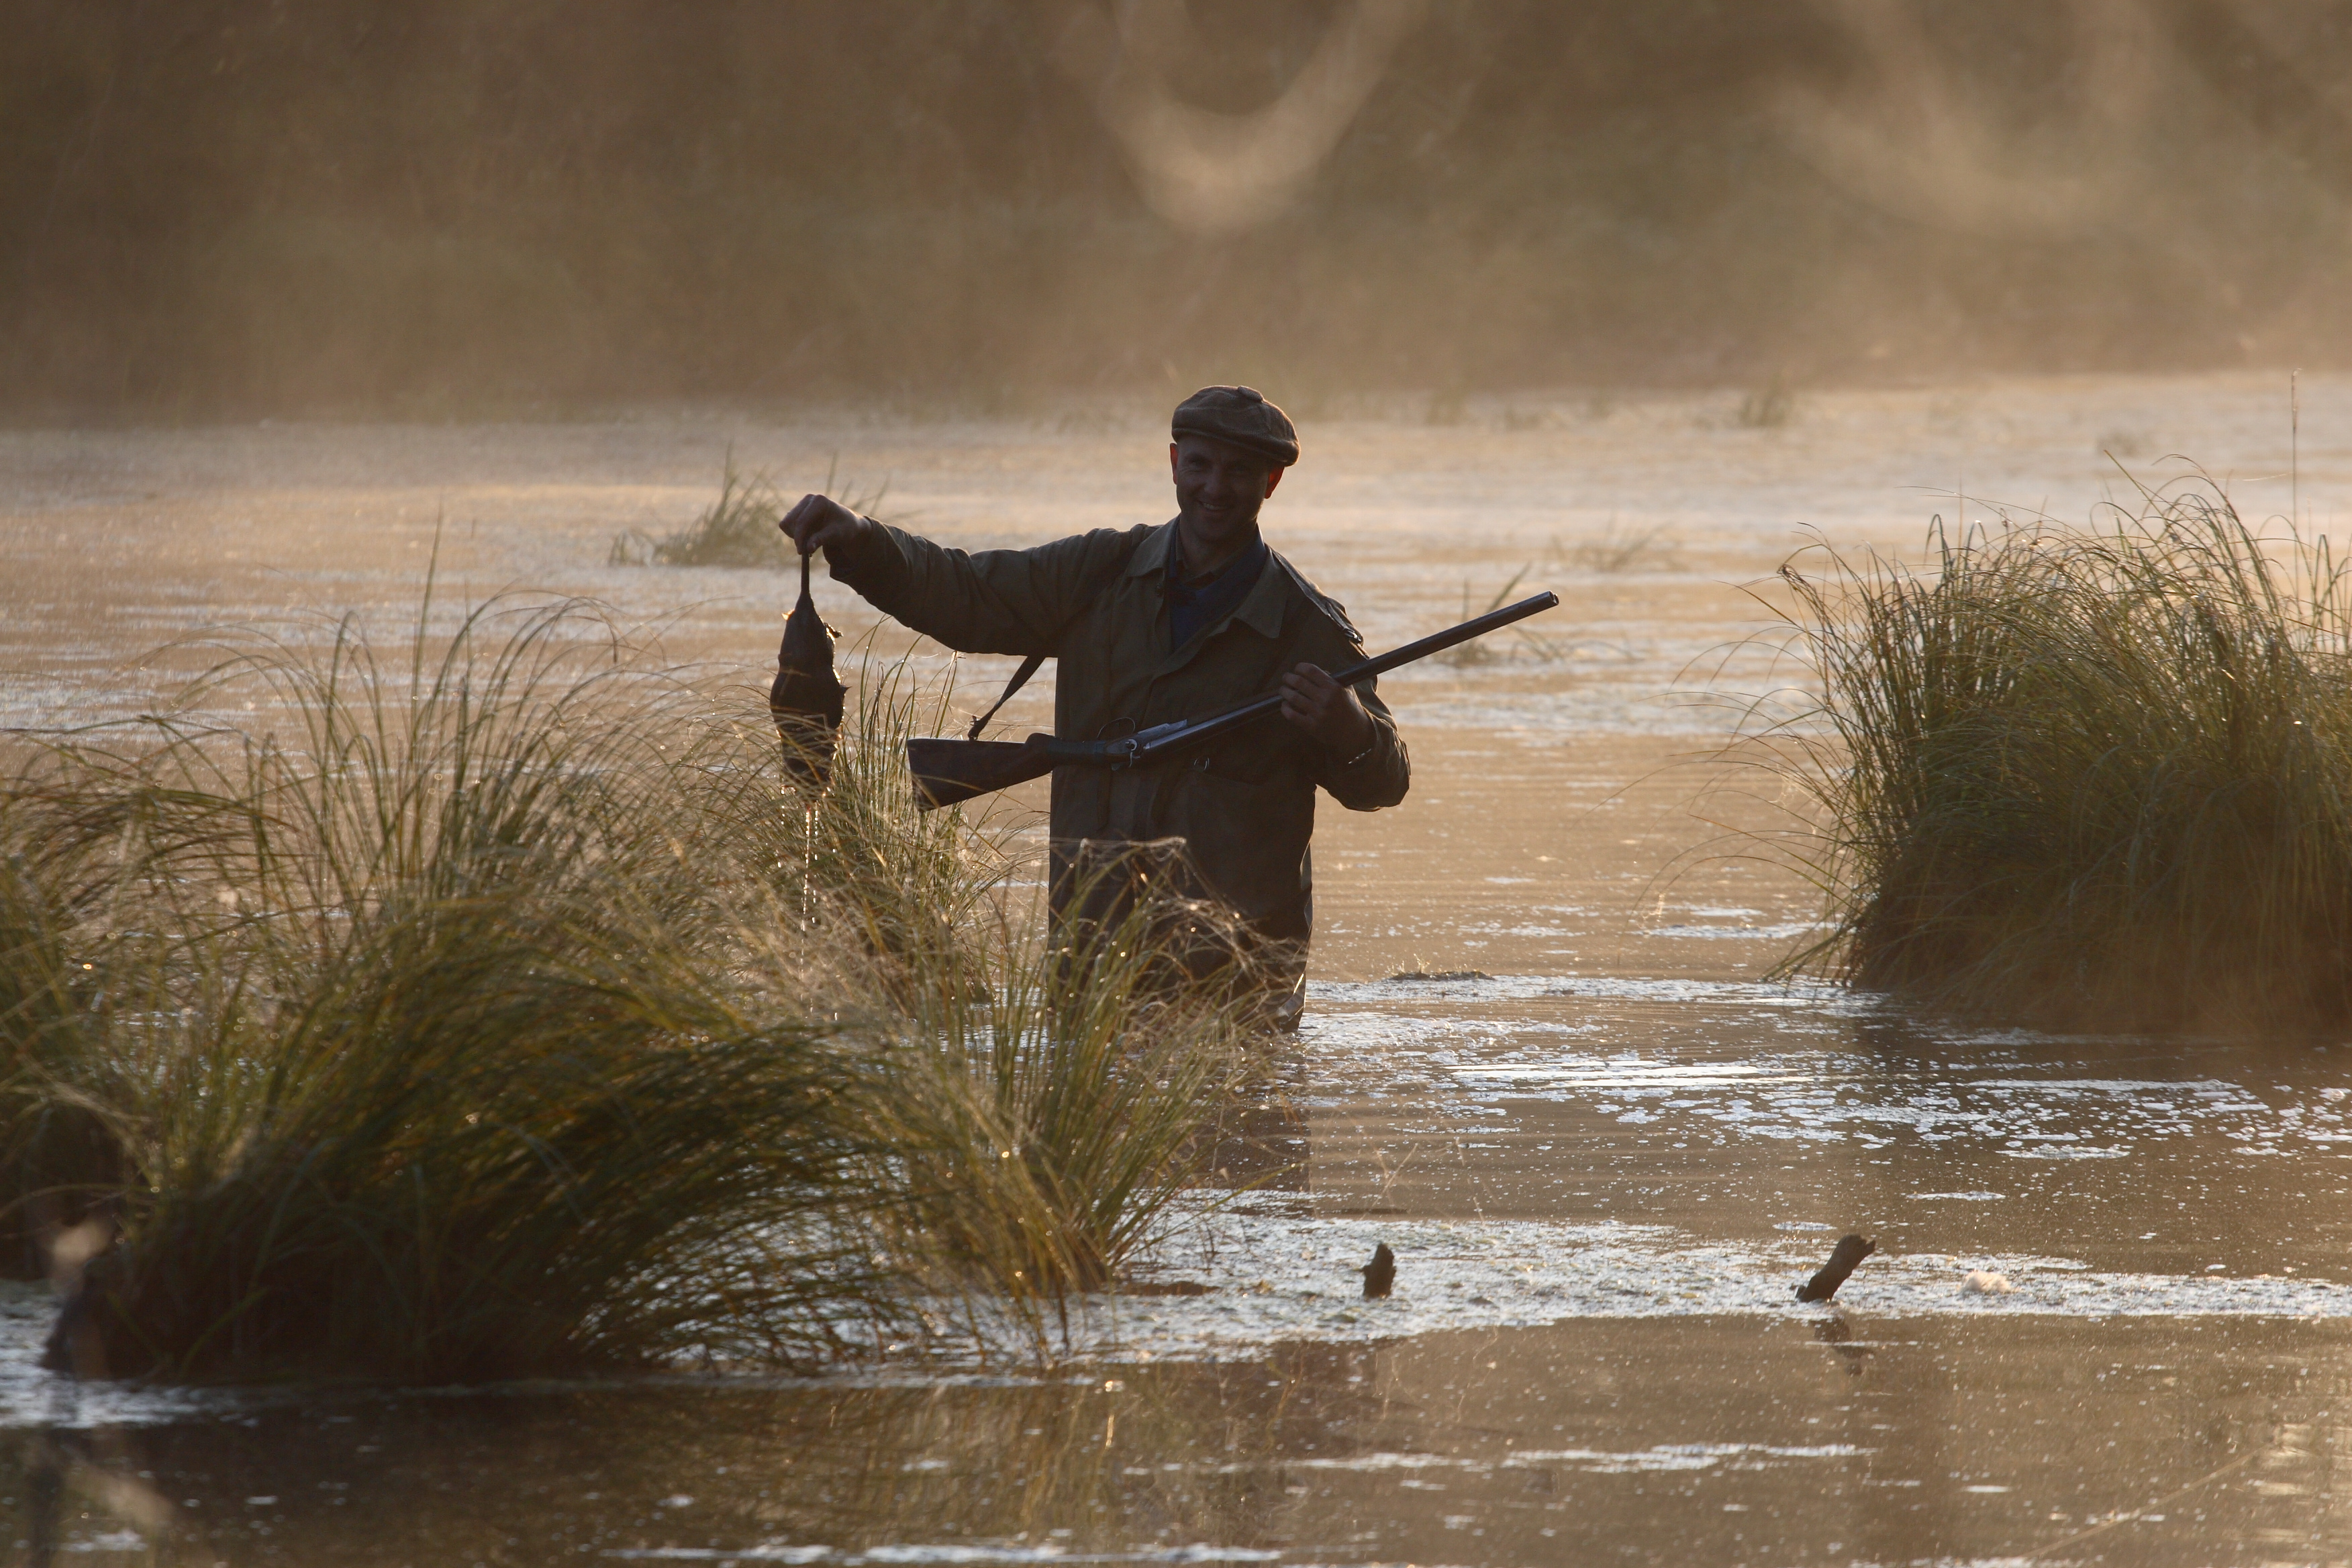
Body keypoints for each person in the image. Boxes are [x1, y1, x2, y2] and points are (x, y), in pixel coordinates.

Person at [777, 385, 1410, 1026]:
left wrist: (1350, 728)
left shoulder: (1307, 626)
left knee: (1239, 1126)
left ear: (1271, 482)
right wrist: (860, 539)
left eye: (1240, 470)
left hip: (1240, 986)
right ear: (1173, 463)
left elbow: (1384, 783)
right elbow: (966, 595)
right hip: (1094, 961)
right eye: (1200, 465)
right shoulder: (1099, 572)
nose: (1216, 487)